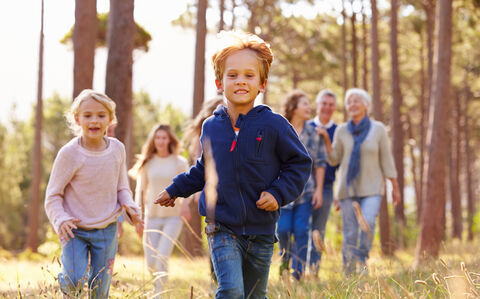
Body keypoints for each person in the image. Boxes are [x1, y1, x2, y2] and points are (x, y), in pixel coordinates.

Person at [155, 30, 312, 298]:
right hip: (221, 226)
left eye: (249, 75)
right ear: (219, 82)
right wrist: (175, 189)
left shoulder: (274, 125)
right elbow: (203, 170)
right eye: (233, 75)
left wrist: (277, 193)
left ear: (262, 83)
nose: (241, 81)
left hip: (262, 229)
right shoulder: (211, 127)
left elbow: (299, 163)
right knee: (231, 290)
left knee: (254, 294)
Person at [44, 89, 143, 298]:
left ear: (110, 119)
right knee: (73, 279)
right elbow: (53, 195)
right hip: (74, 230)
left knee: (101, 286)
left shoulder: (117, 150)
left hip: (107, 229)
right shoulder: (70, 154)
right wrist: (60, 219)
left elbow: (122, 187)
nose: (94, 120)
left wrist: (130, 206)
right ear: (77, 119)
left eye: (100, 115)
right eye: (87, 115)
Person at [319, 88, 400, 276]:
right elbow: (334, 159)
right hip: (347, 190)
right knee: (350, 233)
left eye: (357, 101)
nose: (352, 104)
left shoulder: (378, 129)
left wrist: (394, 186)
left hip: (372, 188)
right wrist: (326, 139)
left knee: (368, 223)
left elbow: (386, 159)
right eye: (349, 102)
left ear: (366, 105)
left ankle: (362, 259)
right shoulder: (341, 131)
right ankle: (349, 275)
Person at [129, 124, 191, 297]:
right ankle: (157, 287)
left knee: (162, 255)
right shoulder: (148, 163)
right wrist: (137, 217)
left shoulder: (180, 162)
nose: (161, 141)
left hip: (173, 218)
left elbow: (190, 187)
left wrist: (185, 204)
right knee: (150, 261)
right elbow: (139, 191)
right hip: (151, 217)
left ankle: (159, 293)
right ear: (153, 140)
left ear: (169, 140)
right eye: (158, 138)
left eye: (164, 137)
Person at [277, 90, 327, 280]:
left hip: (307, 192)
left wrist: (320, 191)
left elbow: (320, 163)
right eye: (304, 104)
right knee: (282, 230)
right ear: (293, 107)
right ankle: (284, 265)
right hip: (282, 192)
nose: (309, 107)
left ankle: (297, 273)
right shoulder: (280, 129)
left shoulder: (314, 133)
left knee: (300, 231)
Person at [182, 96, 225, 283]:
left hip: (229, 186)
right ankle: (215, 273)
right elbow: (197, 163)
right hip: (210, 188)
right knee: (213, 230)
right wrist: (198, 189)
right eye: (216, 108)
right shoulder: (203, 133)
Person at [307, 89, 339, 275]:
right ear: (317, 105)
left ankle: (314, 271)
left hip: (326, 187)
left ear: (334, 108)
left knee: (318, 229)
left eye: (330, 104)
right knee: (301, 228)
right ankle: (297, 270)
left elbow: (338, 162)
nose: (327, 108)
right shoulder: (307, 126)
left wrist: (327, 139)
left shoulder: (338, 131)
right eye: (323, 104)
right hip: (303, 187)